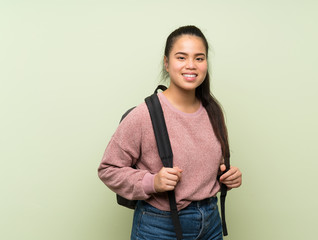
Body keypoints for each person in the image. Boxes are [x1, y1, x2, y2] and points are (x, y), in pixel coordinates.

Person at [98, 25, 242, 240]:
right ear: (167, 63)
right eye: (181, 57)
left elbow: (202, 163)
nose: (191, 65)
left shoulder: (213, 110)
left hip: (212, 221)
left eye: (199, 58)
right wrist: (152, 182)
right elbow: (108, 169)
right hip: (159, 226)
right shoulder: (145, 114)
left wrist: (226, 176)